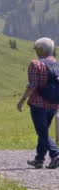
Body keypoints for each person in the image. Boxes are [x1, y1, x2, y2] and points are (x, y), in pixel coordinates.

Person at [16, 37, 59, 169]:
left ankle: (56, 154)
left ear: (41, 50)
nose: (36, 52)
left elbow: (32, 85)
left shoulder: (36, 64)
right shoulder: (57, 64)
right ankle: (39, 159)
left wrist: (22, 100)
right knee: (43, 131)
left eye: (37, 49)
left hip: (38, 104)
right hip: (54, 103)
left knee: (42, 132)